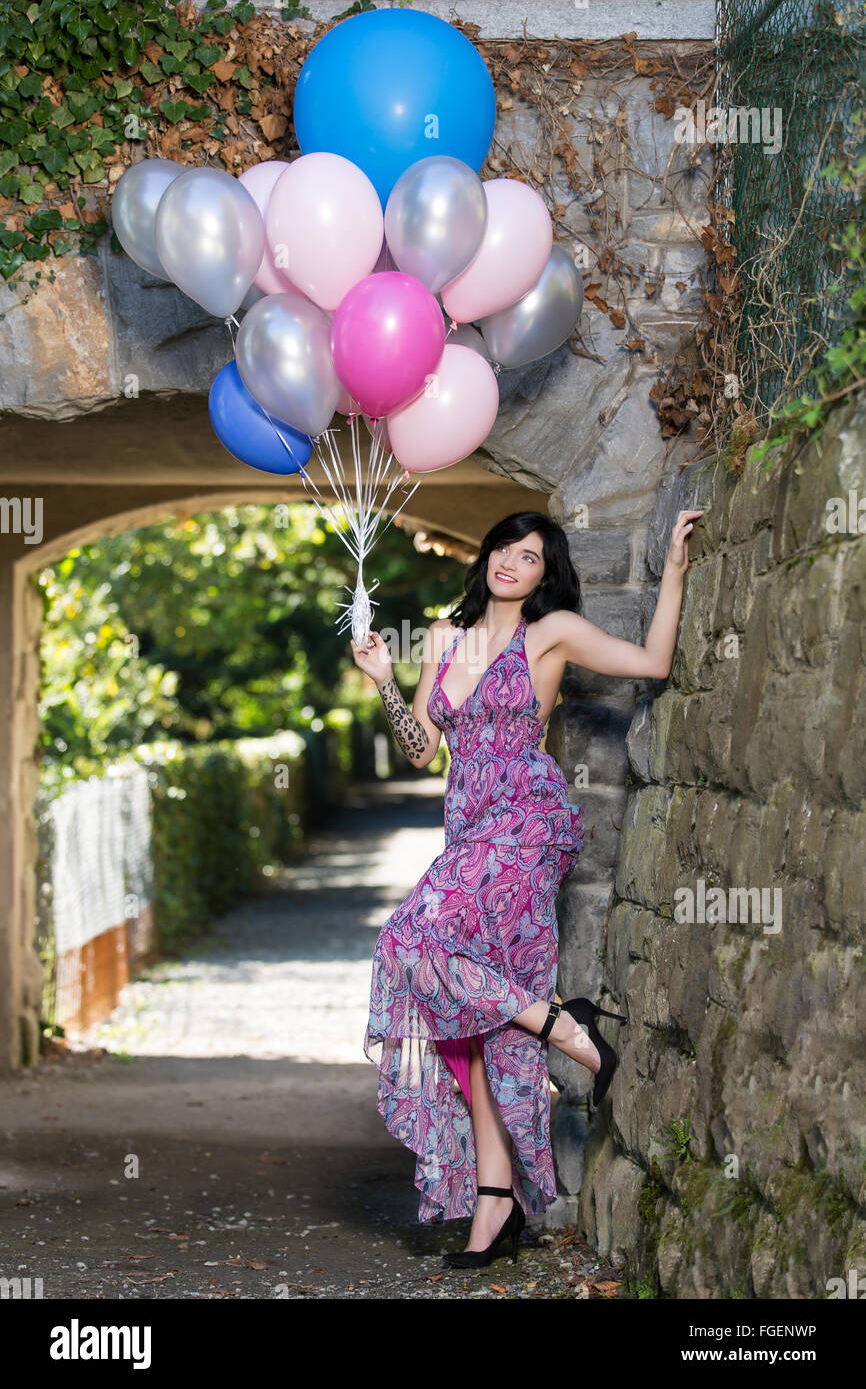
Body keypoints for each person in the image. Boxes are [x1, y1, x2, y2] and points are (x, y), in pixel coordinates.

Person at [351, 506, 702, 1268]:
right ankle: (495, 1197)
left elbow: (652, 663)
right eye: (506, 547)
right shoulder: (443, 638)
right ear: (487, 557)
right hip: (467, 830)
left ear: (547, 574)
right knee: (469, 1016)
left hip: (528, 821)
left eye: (533, 556)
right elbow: (420, 750)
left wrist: (673, 570)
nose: (514, 561)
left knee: (407, 940)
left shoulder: (550, 633)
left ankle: (571, 1032)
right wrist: (383, 682)